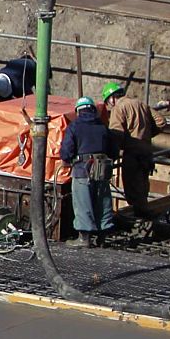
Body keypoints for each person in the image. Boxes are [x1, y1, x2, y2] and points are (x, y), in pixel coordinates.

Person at [60, 95, 116, 247]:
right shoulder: (103, 126)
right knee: (103, 201)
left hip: (82, 169)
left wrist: (67, 159)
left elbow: (66, 151)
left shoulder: (74, 126)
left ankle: (84, 238)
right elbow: (114, 150)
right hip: (102, 169)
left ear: (78, 111)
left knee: (83, 202)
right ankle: (103, 238)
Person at [103, 82, 157, 219]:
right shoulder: (141, 104)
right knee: (142, 185)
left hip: (132, 154)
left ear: (112, 97)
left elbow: (117, 133)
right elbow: (160, 121)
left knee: (132, 188)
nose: (110, 105)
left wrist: (113, 152)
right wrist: (146, 136)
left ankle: (140, 218)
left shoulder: (119, 108)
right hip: (146, 152)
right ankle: (143, 213)